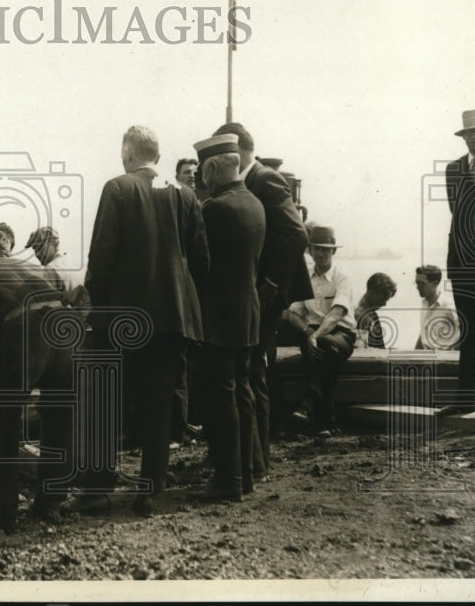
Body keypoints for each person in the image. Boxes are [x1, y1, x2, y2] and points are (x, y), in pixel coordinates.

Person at [79, 125, 208, 517]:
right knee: (160, 403)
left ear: (129, 153)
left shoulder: (117, 188)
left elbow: (101, 256)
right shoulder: (186, 195)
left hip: (122, 318)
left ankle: (98, 490)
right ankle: (152, 489)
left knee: (106, 399)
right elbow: (200, 261)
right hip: (173, 319)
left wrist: (93, 303)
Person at [212, 122, 311, 478]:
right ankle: (255, 458)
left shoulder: (265, 179)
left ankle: (257, 459)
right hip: (256, 292)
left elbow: (295, 234)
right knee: (253, 372)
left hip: (265, 293)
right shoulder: (255, 180)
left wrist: (270, 282)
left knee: (255, 373)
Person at [0, 229, 73, 529]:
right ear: (5, 252)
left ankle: (3, 514)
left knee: (3, 423)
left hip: (24, 329)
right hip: (64, 329)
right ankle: (50, 503)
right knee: (58, 418)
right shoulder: (35, 268)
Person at [192, 134, 265, 501]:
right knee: (243, 394)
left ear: (216, 167)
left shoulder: (215, 209)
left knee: (220, 399)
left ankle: (227, 482)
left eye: (203, 171)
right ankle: (246, 477)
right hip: (247, 315)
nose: (202, 180)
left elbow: (198, 265)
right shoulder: (254, 203)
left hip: (219, 319)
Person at [279, 225, 356, 435]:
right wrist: (307, 332)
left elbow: (336, 314)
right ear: (310, 251)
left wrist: (314, 336)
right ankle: (326, 423)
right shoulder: (305, 277)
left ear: (334, 251)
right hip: (313, 335)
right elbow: (292, 313)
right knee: (324, 357)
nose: (321, 254)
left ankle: (309, 403)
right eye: (317, 249)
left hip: (340, 334)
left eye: (326, 249)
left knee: (323, 346)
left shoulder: (342, 277)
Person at [441, 109, 475, 414]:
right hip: (463, 262)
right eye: (469, 133)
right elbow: (461, 212)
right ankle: (466, 397)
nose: (474, 138)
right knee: (468, 330)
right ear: (463, 136)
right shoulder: (454, 169)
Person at [24, 225, 90, 307]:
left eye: (40, 247)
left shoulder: (50, 269)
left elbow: (50, 306)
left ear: (52, 243)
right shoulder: (75, 262)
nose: (37, 254)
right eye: (35, 249)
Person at [414, 265, 461, 352]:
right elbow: (424, 334)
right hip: (426, 358)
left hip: (443, 360)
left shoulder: (448, 305)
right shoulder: (424, 303)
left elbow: (467, 331)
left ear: (435, 283)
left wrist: (452, 351)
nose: (417, 287)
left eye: (422, 284)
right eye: (417, 283)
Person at [353, 273, 397, 350]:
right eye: (383, 299)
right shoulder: (360, 316)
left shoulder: (371, 314)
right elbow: (360, 350)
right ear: (372, 293)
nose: (384, 304)